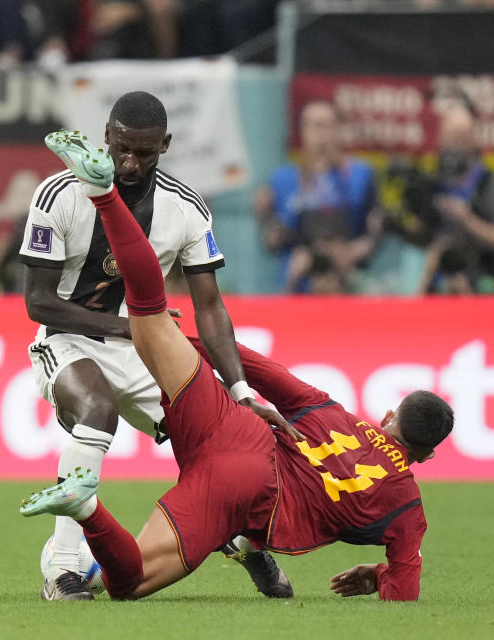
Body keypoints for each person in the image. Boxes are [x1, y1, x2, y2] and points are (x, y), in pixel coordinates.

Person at [21, 130, 455, 602]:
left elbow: (264, 370)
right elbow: (404, 593)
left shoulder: (333, 414)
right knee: (127, 583)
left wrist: (177, 344)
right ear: (428, 456)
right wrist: (379, 573)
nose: (131, 161)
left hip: (238, 430)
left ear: (388, 416)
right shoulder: (406, 506)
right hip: (242, 491)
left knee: (148, 306)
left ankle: (104, 198)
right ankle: (85, 528)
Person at [19, 91, 293, 601]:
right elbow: (38, 303)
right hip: (68, 340)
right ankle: (63, 570)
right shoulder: (58, 194)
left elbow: (210, 308)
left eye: (144, 152)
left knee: (215, 444)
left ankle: (243, 542)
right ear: (105, 135)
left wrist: (238, 391)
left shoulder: (185, 207)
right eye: (122, 148)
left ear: (165, 144)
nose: (130, 162)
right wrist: (124, 326)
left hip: (143, 351)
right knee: (97, 409)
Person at [254, 100, 380, 293]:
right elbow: (272, 242)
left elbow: (374, 233)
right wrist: (264, 217)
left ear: (338, 129)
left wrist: (351, 252)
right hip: (298, 285)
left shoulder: (359, 176)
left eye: (324, 125)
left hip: (344, 283)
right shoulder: (282, 180)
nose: (317, 133)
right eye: (309, 125)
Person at [415, 95, 494, 295]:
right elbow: (421, 236)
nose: (454, 146)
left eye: (460, 137)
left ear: (473, 139)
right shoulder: (432, 184)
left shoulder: (493, 183)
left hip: (480, 279)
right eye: (449, 137)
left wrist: (466, 219)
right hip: (437, 278)